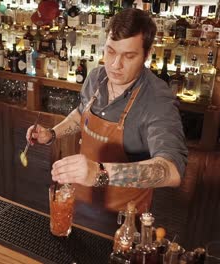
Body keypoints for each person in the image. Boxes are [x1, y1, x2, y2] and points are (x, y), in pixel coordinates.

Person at [26, 8, 187, 234]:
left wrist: (101, 173)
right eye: (110, 52)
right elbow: (82, 113)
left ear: (147, 54)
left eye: (129, 56)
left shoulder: (157, 99)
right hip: (81, 205)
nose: (115, 65)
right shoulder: (97, 77)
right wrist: (52, 133)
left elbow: (172, 171)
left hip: (124, 222)